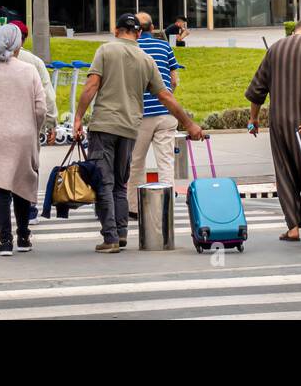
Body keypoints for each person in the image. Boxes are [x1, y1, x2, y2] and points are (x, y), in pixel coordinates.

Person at [74, 13, 204, 253]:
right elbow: (166, 95)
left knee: (104, 182)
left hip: (104, 125)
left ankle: (110, 237)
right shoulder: (146, 60)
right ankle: (122, 234)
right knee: (121, 184)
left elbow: (91, 85)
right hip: (130, 129)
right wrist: (189, 123)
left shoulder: (106, 50)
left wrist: (78, 118)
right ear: (139, 33)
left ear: (116, 30)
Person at [245, 18, 301, 242]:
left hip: (278, 120)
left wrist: (253, 118)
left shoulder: (275, 48)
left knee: (283, 170)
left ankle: (293, 227)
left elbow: (257, 88)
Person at [0, 24, 46, 255]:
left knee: (1, 189)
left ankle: (5, 242)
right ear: (17, 44)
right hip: (24, 135)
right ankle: (24, 237)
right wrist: (36, 127)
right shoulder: (29, 70)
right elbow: (41, 108)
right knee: (22, 186)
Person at [128, 11, 184, 216]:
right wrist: (167, 98)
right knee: (166, 162)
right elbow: (174, 80)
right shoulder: (164, 46)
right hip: (166, 113)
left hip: (140, 115)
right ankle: (166, 207)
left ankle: (134, 209)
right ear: (152, 28)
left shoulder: (132, 48)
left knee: (136, 162)